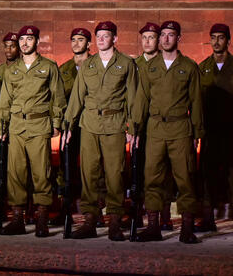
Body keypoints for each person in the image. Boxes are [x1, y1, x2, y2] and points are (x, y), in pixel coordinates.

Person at [62, 21, 137, 240]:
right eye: (99, 36)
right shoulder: (89, 65)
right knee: (89, 173)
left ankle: (114, 220)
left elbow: (132, 98)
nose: (102, 39)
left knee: (115, 174)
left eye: (106, 36)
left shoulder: (126, 63)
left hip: (114, 124)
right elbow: (77, 96)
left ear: (115, 39)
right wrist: (68, 124)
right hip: (89, 125)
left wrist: (132, 127)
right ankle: (90, 220)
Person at [132, 21, 204, 243]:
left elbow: (196, 102)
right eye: (162, 35)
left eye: (170, 35)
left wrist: (197, 133)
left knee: (185, 179)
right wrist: (135, 128)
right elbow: (142, 99)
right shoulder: (149, 67)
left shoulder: (189, 67)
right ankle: (153, 226)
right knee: (151, 177)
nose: (165, 39)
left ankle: (186, 227)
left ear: (178, 38)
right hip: (155, 128)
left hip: (180, 128)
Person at [0, 25, 65, 237]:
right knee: (15, 174)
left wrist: (56, 123)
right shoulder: (12, 70)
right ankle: (17, 218)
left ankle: (41, 219)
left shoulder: (49, 67)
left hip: (38, 126)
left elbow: (58, 98)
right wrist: (1, 127)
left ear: (37, 41)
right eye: (22, 40)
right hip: (16, 126)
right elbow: (4, 101)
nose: (25, 43)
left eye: (29, 39)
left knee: (41, 174)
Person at [196, 23, 233, 234]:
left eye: (220, 37)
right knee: (208, 173)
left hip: (231, 126)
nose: (216, 42)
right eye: (213, 37)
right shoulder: (202, 67)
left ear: (228, 41)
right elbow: (195, 100)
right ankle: (207, 218)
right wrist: (197, 127)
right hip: (210, 128)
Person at [135, 21, 175, 230]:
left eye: (152, 37)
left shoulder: (167, 63)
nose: (148, 41)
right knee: (140, 171)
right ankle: (141, 213)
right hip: (140, 126)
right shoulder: (134, 65)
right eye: (144, 37)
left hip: (160, 126)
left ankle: (164, 213)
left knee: (164, 171)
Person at [56, 27, 92, 213]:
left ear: (88, 43)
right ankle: (66, 204)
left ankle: (93, 207)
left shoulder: (96, 66)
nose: (76, 43)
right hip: (70, 125)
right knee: (66, 165)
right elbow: (58, 99)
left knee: (91, 165)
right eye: (73, 40)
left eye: (80, 39)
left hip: (91, 124)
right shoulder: (64, 70)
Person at [0, 32, 19, 100]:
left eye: (12, 46)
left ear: (19, 48)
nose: (8, 50)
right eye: (6, 46)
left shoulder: (25, 69)